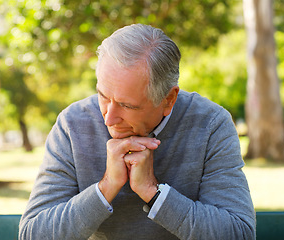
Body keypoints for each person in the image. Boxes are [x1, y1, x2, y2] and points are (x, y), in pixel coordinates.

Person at [19, 24, 255, 240]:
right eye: (102, 96)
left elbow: (239, 233)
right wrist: (107, 186)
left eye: (127, 105)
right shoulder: (71, 125)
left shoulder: (211, 125)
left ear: (168, 100)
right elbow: (33, 234)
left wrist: (153, 193)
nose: (109, 118)